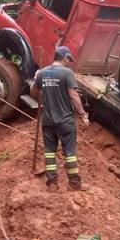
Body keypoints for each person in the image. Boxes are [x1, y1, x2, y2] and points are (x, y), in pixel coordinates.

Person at [30, 46, 90, 191]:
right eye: (69, 59)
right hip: (65, 121)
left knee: (49, 152)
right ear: (64, 57)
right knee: (69, 153)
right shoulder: (67, 73)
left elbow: (33, 91)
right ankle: (74, 184)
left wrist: (44, 95)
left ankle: (52, 184)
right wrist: (82, 114)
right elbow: (74, 95)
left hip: (48, 121)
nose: (69, 62)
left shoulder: (42, 73)